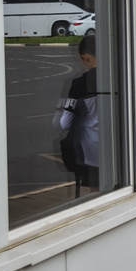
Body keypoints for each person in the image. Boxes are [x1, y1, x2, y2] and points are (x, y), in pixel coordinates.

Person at [57, 35, 99, 191]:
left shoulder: (79, 84)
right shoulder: (121, 78)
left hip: (91, 149)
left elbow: (64, 123)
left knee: (97, 193)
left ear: (85, 57)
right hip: (121, 145)